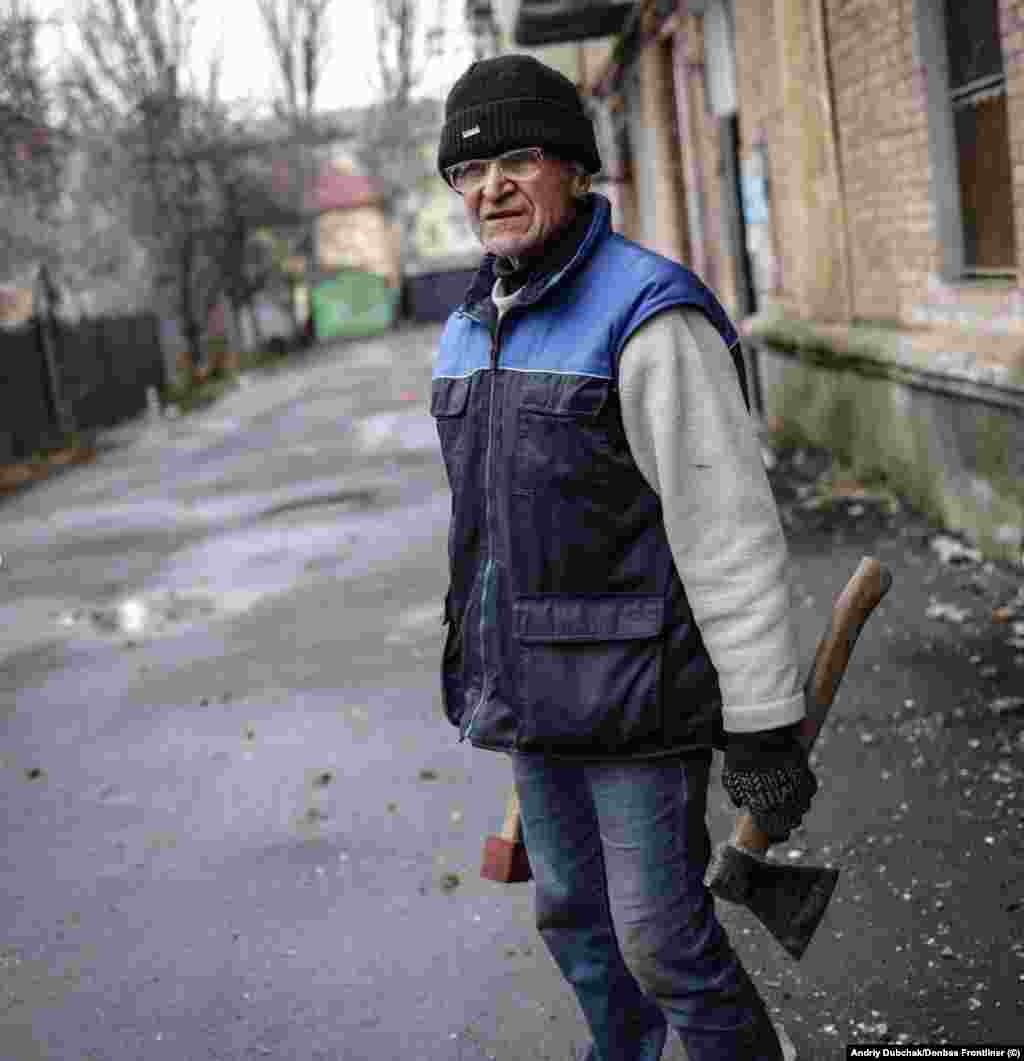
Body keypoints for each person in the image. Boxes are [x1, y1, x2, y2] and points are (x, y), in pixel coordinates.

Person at [431, 54, 816, 1061]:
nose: (490, 188)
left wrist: (765, 723)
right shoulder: (467, 333)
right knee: (575, 924)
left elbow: (728, 531)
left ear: (575, 170)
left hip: (642, 701)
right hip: (533, 700)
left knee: (660, 941)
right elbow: (485, 542)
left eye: (517, 158)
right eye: (467, 173)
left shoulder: (651, 314)